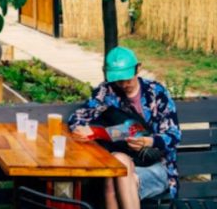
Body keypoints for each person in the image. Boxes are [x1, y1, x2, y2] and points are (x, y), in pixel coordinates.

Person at [69, 47, 180, 208]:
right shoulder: (106, 91)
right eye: (119, 80)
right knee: (119, 165)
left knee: (118, 176)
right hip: (122, 160)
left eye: (128, 78)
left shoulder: (156, 93)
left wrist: (149, 141)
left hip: (158, 165)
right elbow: (77, 118)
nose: (124, 84)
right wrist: (82, 129)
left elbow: (174, 135)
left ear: (138, 69)